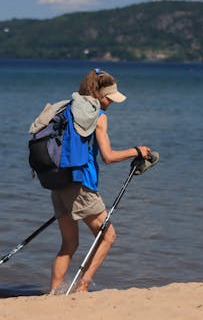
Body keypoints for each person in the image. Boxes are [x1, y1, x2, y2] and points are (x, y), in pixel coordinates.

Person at [50, 69, 150, 293]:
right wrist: (136, 151)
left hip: (58, 183)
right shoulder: (98, 117)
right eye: (109, 98)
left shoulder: (68, 109)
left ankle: (53, 293)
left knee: (69, 244)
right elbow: (108, 156)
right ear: (97, 93)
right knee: (108, 235)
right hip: (81, 185)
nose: (111, 103)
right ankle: (82, 287)